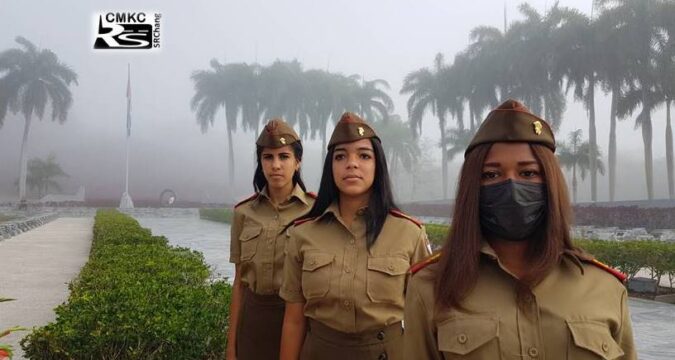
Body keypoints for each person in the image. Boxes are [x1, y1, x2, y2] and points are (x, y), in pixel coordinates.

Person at [404, 99, 636, 360]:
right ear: (472, 190)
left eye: (528, 174)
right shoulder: (431, 287)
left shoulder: (604, 287)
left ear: (551, 183)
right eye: (491, 175)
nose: (511, 188)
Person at [279, 112, 431, 360]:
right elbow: (294, 321)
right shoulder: (303, 234)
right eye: (340, 156)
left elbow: (424, 321)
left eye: (363, 155)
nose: (351, 163)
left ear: (377, 165)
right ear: (331, 167)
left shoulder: (409, 233)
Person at [227, 118, 315, 360]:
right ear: (261, 163)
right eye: (268, 157)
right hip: (253, 323)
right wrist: (231, 346)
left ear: (298, 162)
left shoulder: (317, 212)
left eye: (284, 157)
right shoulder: (244, 213)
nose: (276, 165)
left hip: (299, 320)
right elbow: (239, 283)